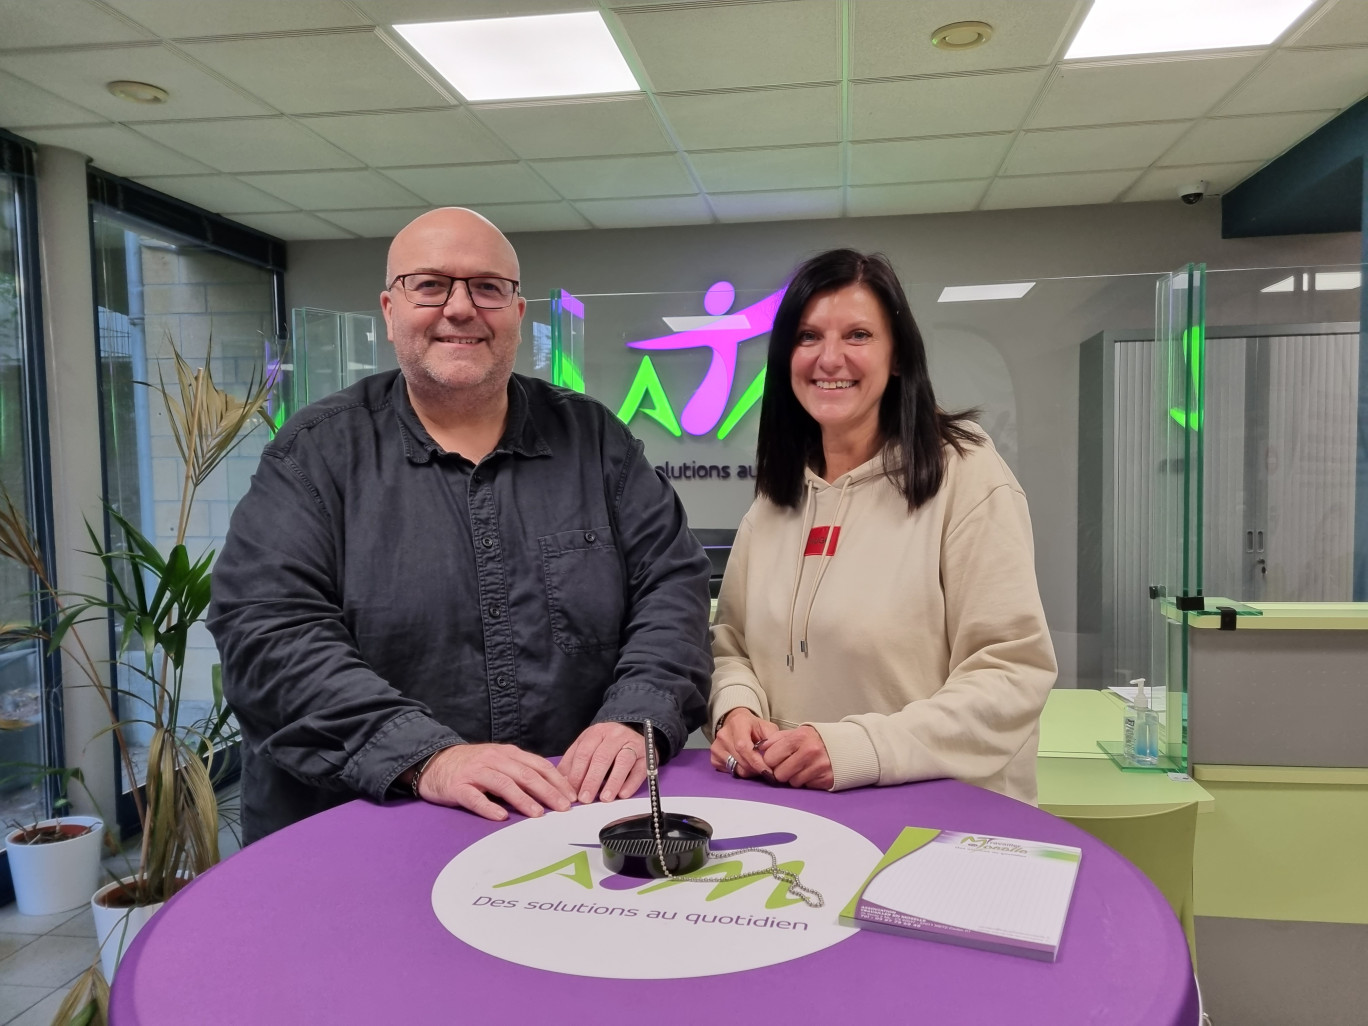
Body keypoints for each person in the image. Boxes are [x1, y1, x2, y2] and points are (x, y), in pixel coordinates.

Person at [208, 207, 711, 843]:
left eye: (487, 287)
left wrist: (636, 715)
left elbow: (672, 586)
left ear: (518, 313)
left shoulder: (595, 440)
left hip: (569, 826)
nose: (461, 307)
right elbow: (267, 632)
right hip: (364, 833)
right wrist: (428, 757)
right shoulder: (315, 453)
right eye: (430, 285)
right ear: (389, 310)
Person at [707, 249, 1056, 803]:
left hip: (942, 819)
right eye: (807, 336)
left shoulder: (966, 476)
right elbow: (731, 646)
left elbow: (1011, 674)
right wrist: (737, 704)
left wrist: (858, 749)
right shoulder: (775, 499)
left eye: (858, 335)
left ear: (897, 357)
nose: (830, 358)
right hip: (803, 813)